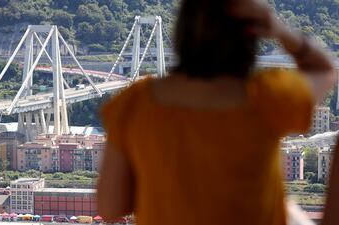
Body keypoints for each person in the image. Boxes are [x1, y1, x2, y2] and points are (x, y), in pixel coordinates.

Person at [97, 0, 336, 225]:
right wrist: (279, 28)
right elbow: (324, 70)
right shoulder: (267, 97)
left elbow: (110, 207)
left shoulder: (135, 104)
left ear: (183, 30)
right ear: (250, 37)